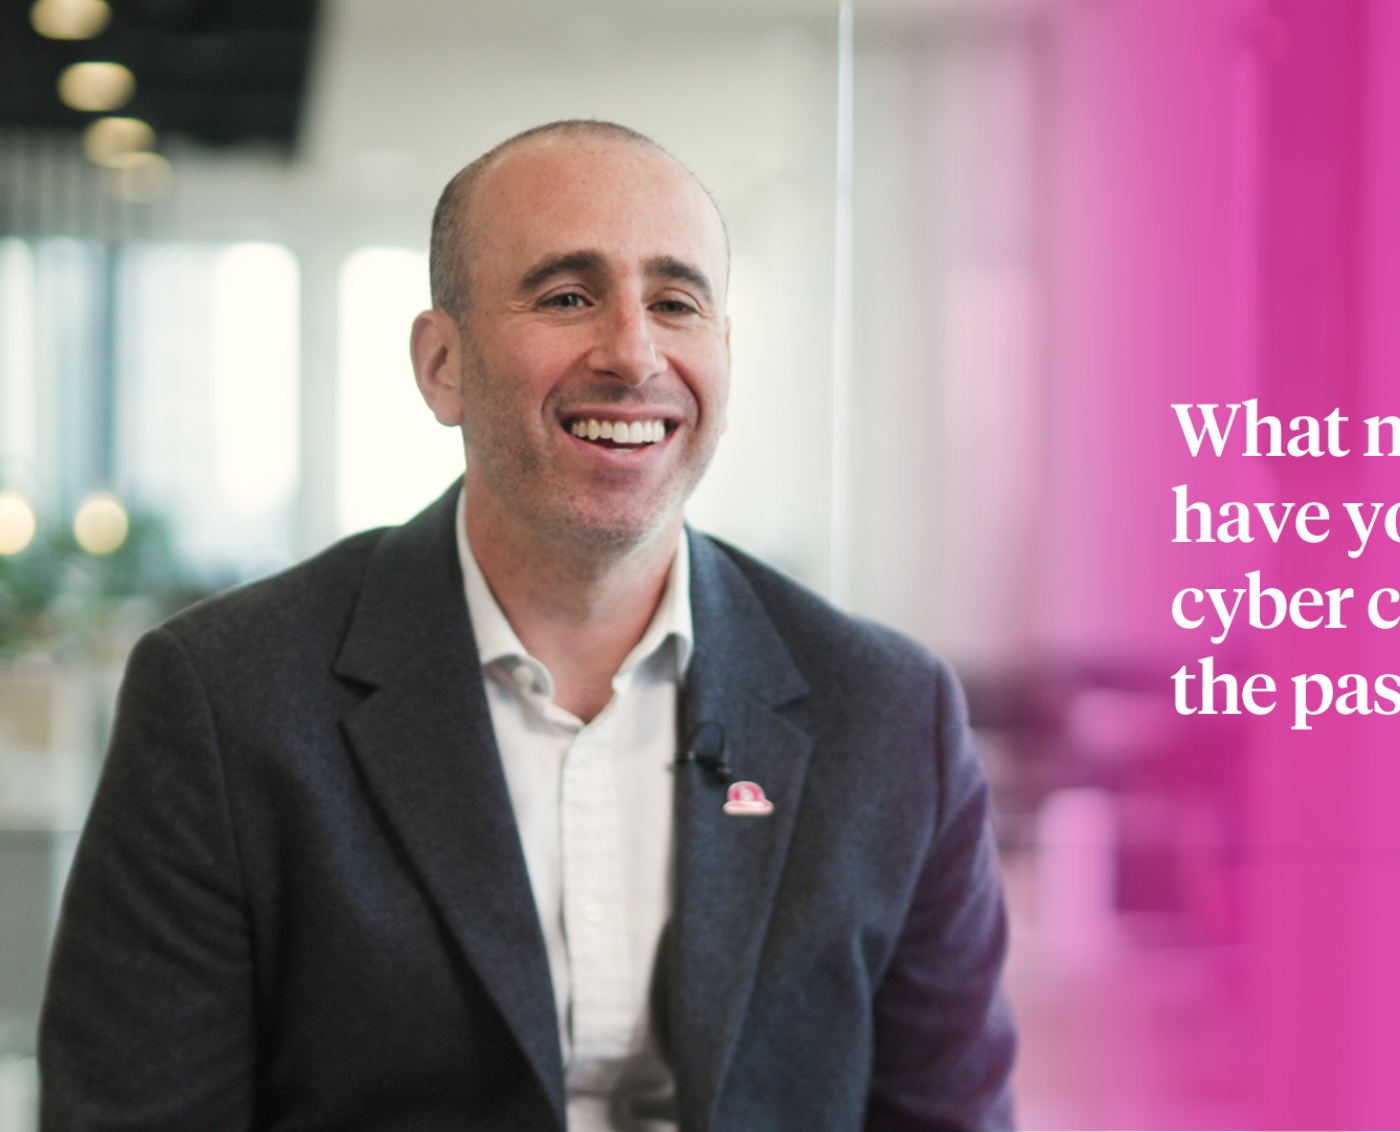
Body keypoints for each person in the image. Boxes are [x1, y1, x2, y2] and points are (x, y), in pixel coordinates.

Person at [36, 120, 1016, 1132]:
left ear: (724, 356)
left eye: (676, 303)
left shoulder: (890, 717)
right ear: (441, 364)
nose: (633, 353)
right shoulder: (225, 700)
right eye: (566, 297)